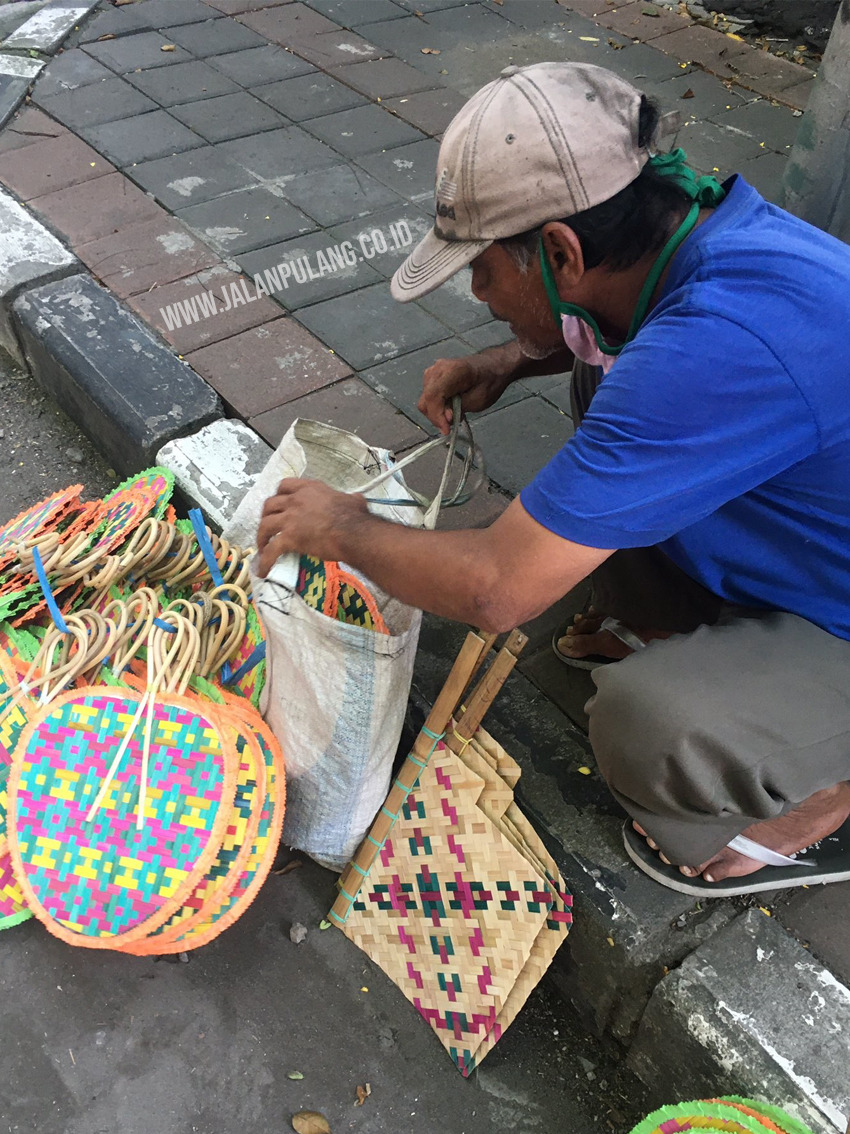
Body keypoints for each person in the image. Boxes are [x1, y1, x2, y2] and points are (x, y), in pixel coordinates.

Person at [256, 61, 850, 897]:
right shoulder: (703, 239)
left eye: (485, 268)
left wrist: (345, 529)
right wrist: (505, 358)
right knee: (599, 379)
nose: (476, 291)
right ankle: (687, 626)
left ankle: (818, 803)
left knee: (650, 731)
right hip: (822, 544)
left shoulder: (715, 345)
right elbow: (615, 352)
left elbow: (499, 592)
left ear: (563, 252)